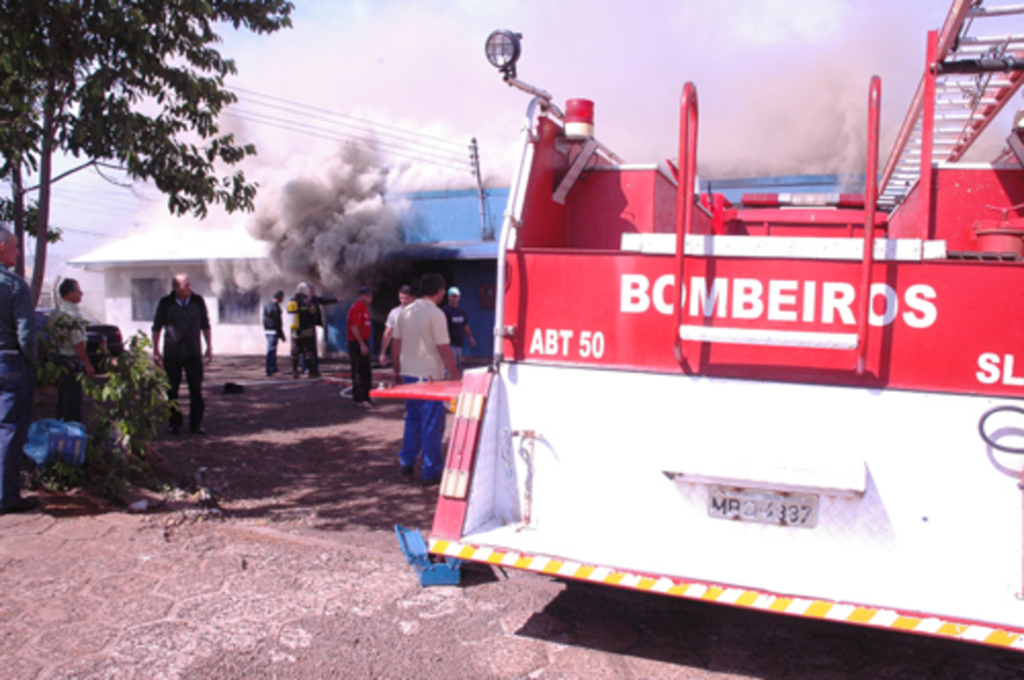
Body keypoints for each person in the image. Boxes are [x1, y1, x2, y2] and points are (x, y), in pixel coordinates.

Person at [392, 273, 461, 486]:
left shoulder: (405, 312)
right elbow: (443, 347)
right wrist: (456, 374)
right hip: (430, 376)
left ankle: (407, 461)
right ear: (440, 291)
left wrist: (397, 370)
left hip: (409, 372)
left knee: (412, 418)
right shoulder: (436, 314)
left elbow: (396, 343)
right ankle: (430, 471)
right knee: (432, 423)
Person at [0, 227, 37, 514]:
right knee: (10, 430)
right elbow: (25, 333)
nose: (18, 252)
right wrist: (30, 362)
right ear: (2, 247)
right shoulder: (14, 285)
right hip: (9, 362)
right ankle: (6, 497)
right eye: (14, 246)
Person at [152, 274, 212, 435]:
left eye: (189, 284)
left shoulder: (197, 301)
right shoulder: (166, 303)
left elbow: (205, 324)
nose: (189, 287)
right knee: (172, 390)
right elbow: (156, 327)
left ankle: (196, 424)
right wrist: (156, 350)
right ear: (175, 288)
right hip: (172, 354)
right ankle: (174, 423)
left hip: (193, 353)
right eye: (185, 285)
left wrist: (209, 346)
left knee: (196, 390)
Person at [50, 278, 96, 422]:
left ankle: (60, 429)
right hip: (70, 361)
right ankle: (71, 431)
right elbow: (78, 343)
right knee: (72, 401)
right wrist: (88, 364)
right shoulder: (71, 315)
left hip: (58, 360)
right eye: (78, 291)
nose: (81, 294)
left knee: (62, 399)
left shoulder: (55, 312)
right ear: (69, 293)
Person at [288, 283, 336, 378]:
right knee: (309, 352)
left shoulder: (291, 302)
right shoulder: (307, 302)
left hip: (295, 333)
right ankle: (312, 372)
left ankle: (295, 371)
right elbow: (314, 314)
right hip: (308, 332)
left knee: (295, 352)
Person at [347, 286, 374, 408]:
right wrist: (362, 344)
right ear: (361, 296)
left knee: (366, 371)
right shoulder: (357, 308)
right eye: (367, 295)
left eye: (370, 295)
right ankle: (359, 398)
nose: (370, 297)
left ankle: (366, 397)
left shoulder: (364, 308)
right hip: (357, 343)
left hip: (363, 342)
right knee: (359, 371)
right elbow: (354, 327)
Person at [379, 284, 414, 367]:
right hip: (401, 352)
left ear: (413, 297)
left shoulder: (420, 312)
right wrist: (383, 352)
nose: (403, 301)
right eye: (401, 298)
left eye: (406, 298)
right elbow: (387, 333)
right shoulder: (395, 313)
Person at [443, 286, 476, 370]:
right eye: (452, 296)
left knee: (458, 366)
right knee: (450, 367)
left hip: (459, 343)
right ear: (449, 297)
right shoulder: (445, 311)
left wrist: (470, 337)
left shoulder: (461, 310)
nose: (454, 298)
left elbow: (465, 325)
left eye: (456, 296)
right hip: (449, 343)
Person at [262, 290, 285, 377]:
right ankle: (269, 369)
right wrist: (281, 334)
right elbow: (277, 322)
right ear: (279, 298)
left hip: (268, 331)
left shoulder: (267, 305)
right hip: (273, 331)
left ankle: (273, 368)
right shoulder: (275, 307)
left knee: (272, 349)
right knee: (271, 350)